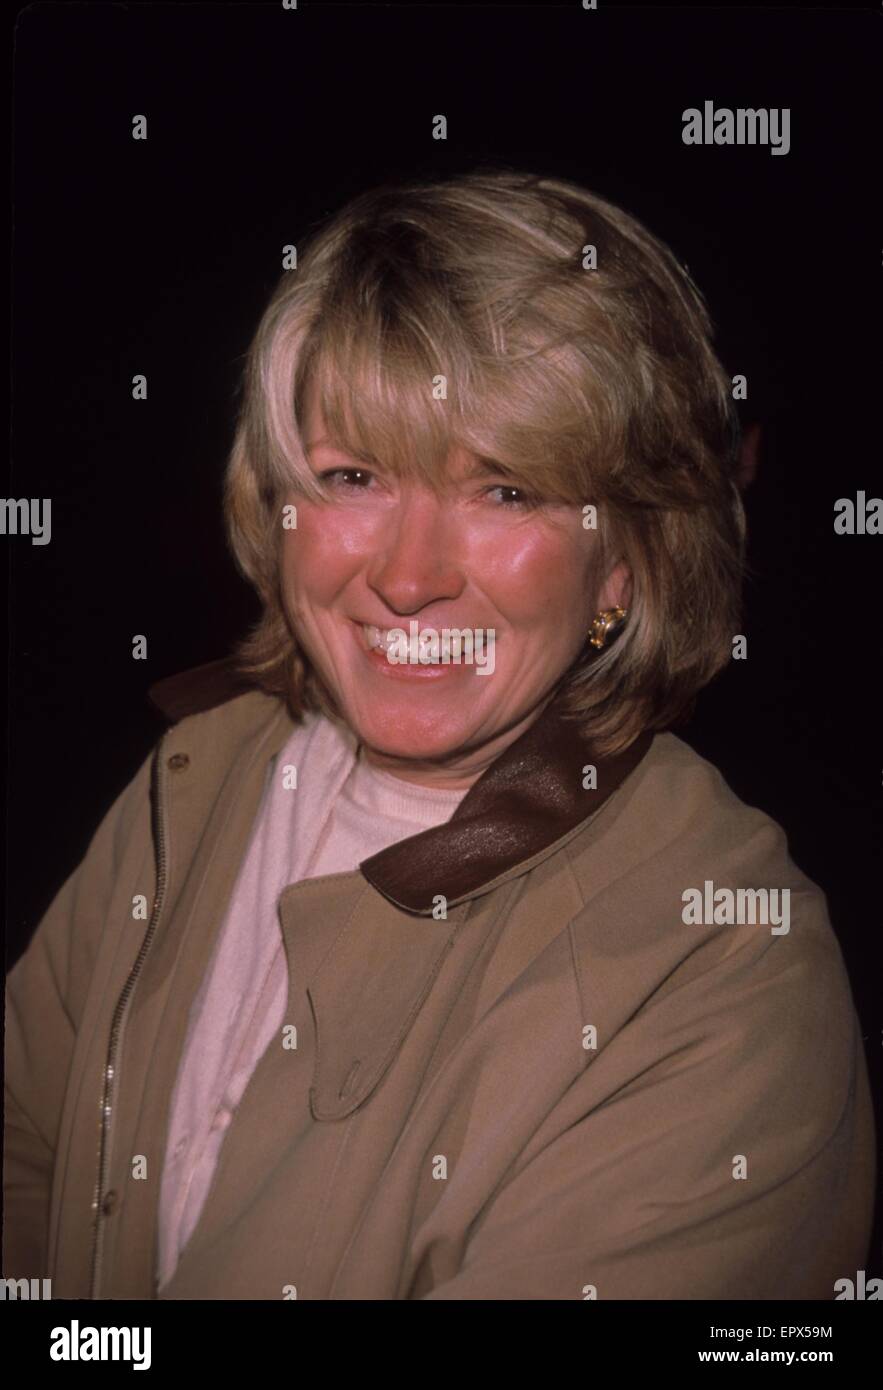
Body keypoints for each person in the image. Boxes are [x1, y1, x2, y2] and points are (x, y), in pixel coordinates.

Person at [4, 168, 874, 1300]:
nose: (406, 577)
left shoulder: (721, 974)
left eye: (504, 490)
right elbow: (26, 1156)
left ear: (626, 562)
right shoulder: (196, 772)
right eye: (353, 475)